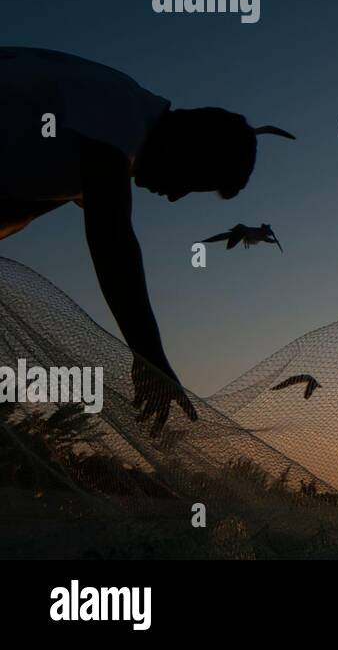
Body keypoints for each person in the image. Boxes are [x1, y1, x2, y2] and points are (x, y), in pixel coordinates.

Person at [0, 48, 293, 433]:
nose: (173, 196)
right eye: (188, 182)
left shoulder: (99, 148)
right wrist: (150, 357)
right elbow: (112, 238)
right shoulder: (119, 112)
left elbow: (20, 210)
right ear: (187, 144)